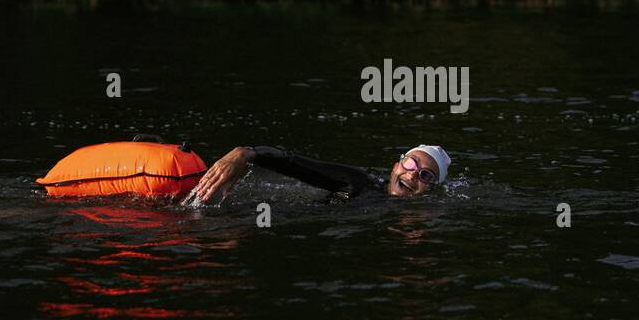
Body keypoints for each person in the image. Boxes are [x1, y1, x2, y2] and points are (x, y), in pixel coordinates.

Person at [190, 141, 451, 204]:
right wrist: (247, 153)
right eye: (410, 164)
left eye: (427, 175)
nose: (414, 174)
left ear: (433, 189)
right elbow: (302, 166)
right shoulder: (360, 184)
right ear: (396, 165)